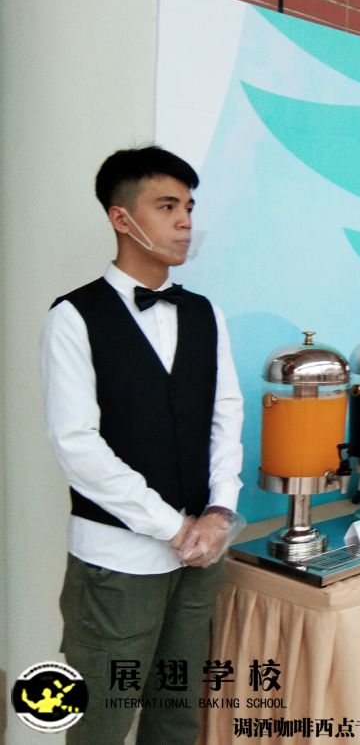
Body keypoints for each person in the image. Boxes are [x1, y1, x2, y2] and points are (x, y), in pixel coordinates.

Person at [40, 146, 244, 743]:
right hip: (117, 562)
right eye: (167, 206)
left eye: (188, 207)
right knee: (101, 722)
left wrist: (218, 513)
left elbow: (226, 417)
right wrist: (171, 526)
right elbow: (76, 445)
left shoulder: (205, 313)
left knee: (176, 717)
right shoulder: (74, 316)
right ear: (121, 217)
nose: (185, 222)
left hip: (202, 555)